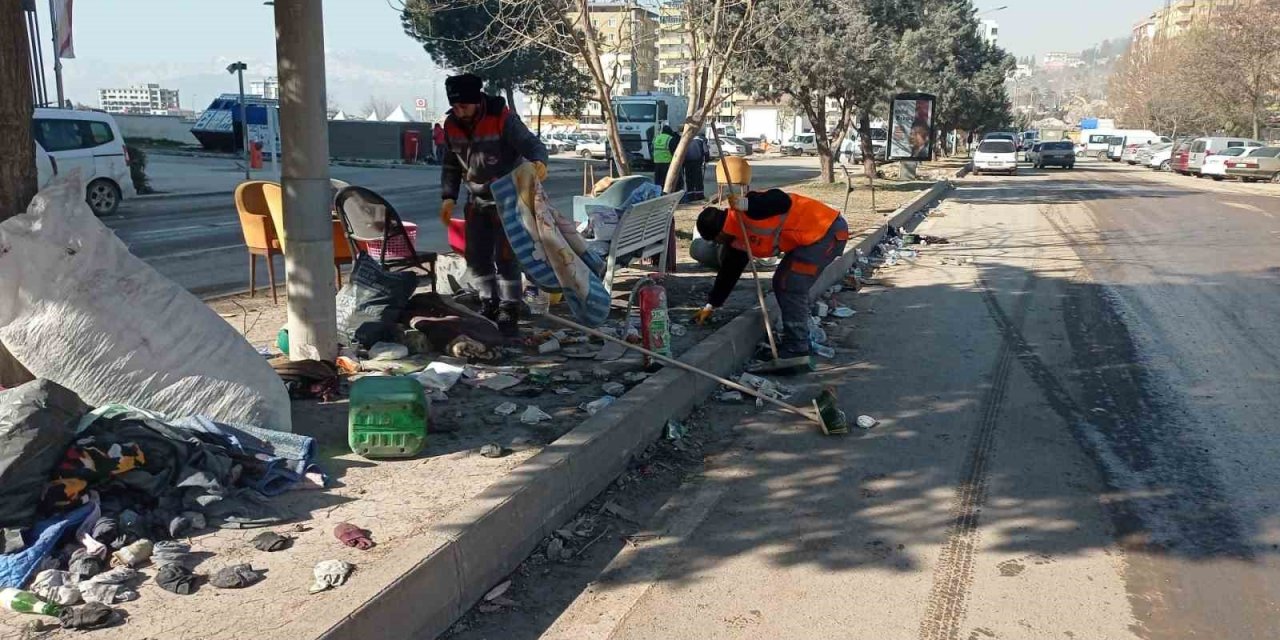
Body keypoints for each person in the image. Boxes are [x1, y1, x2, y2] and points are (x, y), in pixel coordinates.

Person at [439, 73, 548, 338]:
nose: (458, 110)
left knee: (507, 257)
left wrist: (539, 162)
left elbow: (532, 144)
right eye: (454, 106)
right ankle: (489, 302)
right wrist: (448, 196)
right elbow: (451, 164)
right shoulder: (451, 124)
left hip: (508, 198)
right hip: (476, 200)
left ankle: (510, 306)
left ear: (476, 100)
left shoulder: (502, 118)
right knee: (476, 256)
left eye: (463, 105)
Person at [694, 189, 850, 367]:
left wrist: (746, 205)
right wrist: (711, 304)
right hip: (812, 239)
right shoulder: (737, 239)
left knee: (790, 285)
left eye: (716, 241)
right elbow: (729, 272)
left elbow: (781, 200)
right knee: (782, 282)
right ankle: (797, 341)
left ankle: (796, 348)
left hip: (825, 233)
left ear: (719, 233)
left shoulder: (749, 208)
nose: (718, 245)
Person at [682, 133, 707, 202]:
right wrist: (706, 160)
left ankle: (690, 196)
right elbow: (706, 152)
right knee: (698, 179)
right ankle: (700, 195)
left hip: (687, 162)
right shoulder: (700, 140)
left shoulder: (685, 140)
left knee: (689, 179)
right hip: (697, 162)